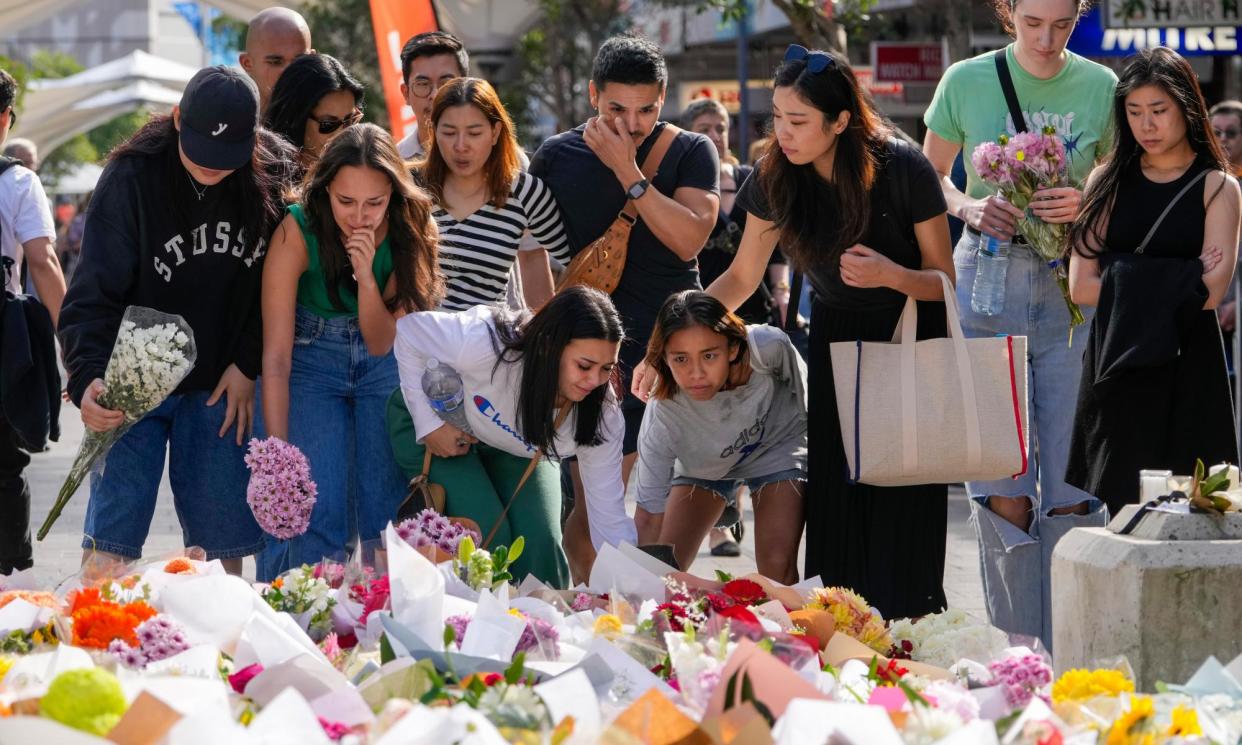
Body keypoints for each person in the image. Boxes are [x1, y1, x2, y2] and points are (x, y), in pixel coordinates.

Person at [641, 45, 955, 617]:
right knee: (838, 505)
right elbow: (740, 278)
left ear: (841, 121)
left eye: (799, 121)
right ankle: (841, 635)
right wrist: (665, 343)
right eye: (777, 119)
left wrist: (892, 274)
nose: (783, 133)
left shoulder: (904, 167)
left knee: (903, 501)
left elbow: (944, 282)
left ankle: (912, 635)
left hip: (907, 341)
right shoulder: (773, 177)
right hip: (836, 348)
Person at [921, 0, 1116, 646]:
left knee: (1070, 488)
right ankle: (1018, 658)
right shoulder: (967, 80)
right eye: (1034, 22)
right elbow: (930, 175)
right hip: (989, 282)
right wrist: (970, 205)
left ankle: (1072, 651)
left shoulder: (1102, 87)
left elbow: (1127, 183)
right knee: (1003, 487)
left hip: (1073, 289)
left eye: (1063, 24)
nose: (1048, 38)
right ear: (1008, 11)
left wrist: (1089, 200)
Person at [58, 66, 291, 574]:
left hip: (219, 385)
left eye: (227, 157)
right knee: (111, 536)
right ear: (179, 117)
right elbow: (92, 294)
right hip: (133, 373)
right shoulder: (131, 178)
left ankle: (222, 645)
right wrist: (87, 377)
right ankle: (96, 634)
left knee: (222, 543)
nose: (212, 167)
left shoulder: (270, 174)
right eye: (202, 151)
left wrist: (247, 363)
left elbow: (278, 289)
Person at [530, 34, 719, 576]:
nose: (632, 124)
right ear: (593, 95)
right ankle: (588, 619)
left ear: (663, 100)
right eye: (617, 108)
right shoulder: (557, 155)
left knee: (659, 510)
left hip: (671, 355)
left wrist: (628, 173)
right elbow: (531, 253)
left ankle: (647, 622)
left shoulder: (689, 150)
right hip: (592, 361)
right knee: (595, 506)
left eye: (646, 110)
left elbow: (689, 239)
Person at [258, 123, 441, 579]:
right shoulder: (297, 229)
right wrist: (278, 456)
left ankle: (383, 631)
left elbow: (381, 343)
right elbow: (277, 359)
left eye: (374, 203)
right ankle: (301, 627)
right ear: (324, 192)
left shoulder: (407, 227)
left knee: (386, 515)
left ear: (393, 197)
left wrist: (366, 278)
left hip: (381, 362)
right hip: (308, 360)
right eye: (346, 202)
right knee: (315, 512)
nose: (360, 216)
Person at [1066, 47, 1240, 515]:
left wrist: (1120, 270)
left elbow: (1212, 295)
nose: (1147, 125)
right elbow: (1081, 286)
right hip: (1119, 360)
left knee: (1200, 508)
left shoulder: (1218, 186)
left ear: (1187, 107)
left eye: (1159, 111)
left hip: (1191, 362)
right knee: (1120, 513)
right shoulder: (1106, 180)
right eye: (1135, 112)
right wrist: (1183, 275)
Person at [390, 286, 637, 588]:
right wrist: (429, 424)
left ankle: (545, 632)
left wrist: (633, 589)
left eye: (606, 369)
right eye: (584, 366)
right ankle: (467, 630)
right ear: (549, 345)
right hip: (444, 430)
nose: (595, 381)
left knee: (540, 545)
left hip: (519, 450)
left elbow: (608, 516)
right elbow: (409, 330)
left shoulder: (602, 414)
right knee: (483, 538)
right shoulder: (485, 343)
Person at [633, 290, 806, 581]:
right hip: (705, 470)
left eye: (709, 355)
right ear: (661, 357)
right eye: (680, 359)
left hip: (776, 450)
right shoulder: (662, 411)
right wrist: (635, 593)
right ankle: (724, 503)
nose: (696, 373)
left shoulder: (768, 347)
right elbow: (649, 516)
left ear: (733, 349)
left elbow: (809, 406)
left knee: (777, 565)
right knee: (663, 571)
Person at [682, 98, 790, 557]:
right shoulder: (684, 187)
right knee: (712, 420)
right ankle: (718, 526)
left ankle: (733, 507)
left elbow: (776, 252)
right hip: (704, 317)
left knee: (752, 416)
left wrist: (782, 292)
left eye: (722, 126)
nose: (717, 134)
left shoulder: (749, 181)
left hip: (753, 317)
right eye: (705, 126)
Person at [418, 77, 571, 311]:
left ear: (495, 132)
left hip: (490, 341)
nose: (461, 146)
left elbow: (577, 260)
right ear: (433, 130)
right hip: (419, 341)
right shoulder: (409, 187)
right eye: (449, 133)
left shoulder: (524, 191)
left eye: (474, 133)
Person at [0, 68, 64, 575]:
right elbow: (42, 262)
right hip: (5, 337)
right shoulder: (19, 182)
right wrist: (74, 346)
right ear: (5, 120)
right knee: (5, 459)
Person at [263, 54, 364, 172]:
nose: (343, 134)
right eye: (328, 124)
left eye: (351, 121)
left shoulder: (360, 171)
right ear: (296, 119)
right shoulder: (260, 179)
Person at [239, 6, 314, 115]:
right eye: (275, 62)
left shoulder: (331, 121)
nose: (289, 72)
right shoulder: (224, 124)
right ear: (247, 63)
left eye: (300, 61)